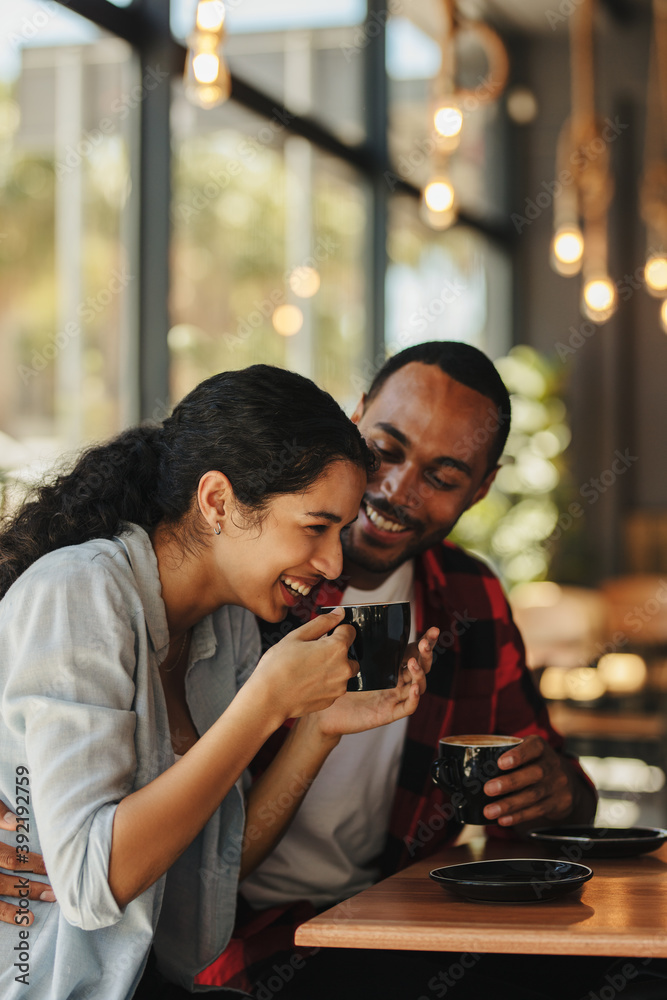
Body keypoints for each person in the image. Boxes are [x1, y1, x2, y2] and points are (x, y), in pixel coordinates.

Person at [0, 365, 435, 999]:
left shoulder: (226, 624)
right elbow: (94, 886)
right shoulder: (80, 590)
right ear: (218, 503)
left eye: (340, 531)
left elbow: (216, 869)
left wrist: (317, 729)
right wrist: (264, 704)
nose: (335, 562)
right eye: (315, 527)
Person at [197, 342, 599, 998]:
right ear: (353, 419)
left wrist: (555, 791)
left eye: (442, 477)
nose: (395, 491)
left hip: (396, 922)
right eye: (383, 450)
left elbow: (557, 790)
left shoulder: (468, 599)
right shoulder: (248, 580)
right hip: (246, 940)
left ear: (482, 487)